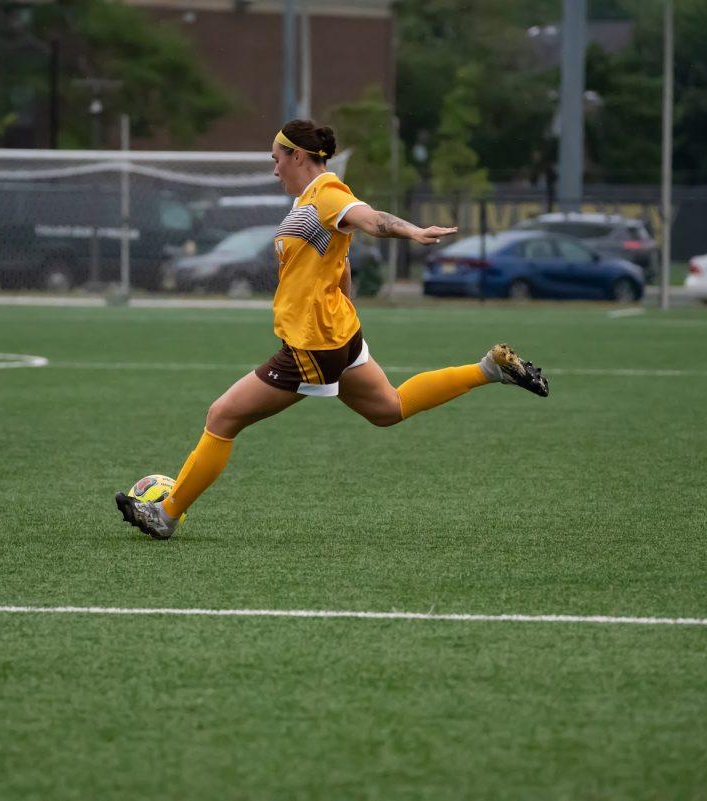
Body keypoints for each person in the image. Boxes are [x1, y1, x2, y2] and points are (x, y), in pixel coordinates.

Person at [115, 120, 549, 540]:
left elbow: (370, 217)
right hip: (339, 334)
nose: (273, 169)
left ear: (297, 155)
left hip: (312, 345)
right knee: (388, 409)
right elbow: (337, 259)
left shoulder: (326, 192)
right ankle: (489, 370)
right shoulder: (306, 201)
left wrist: (413, 231)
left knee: (222, 417)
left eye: (276, 159)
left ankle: (166, 514)